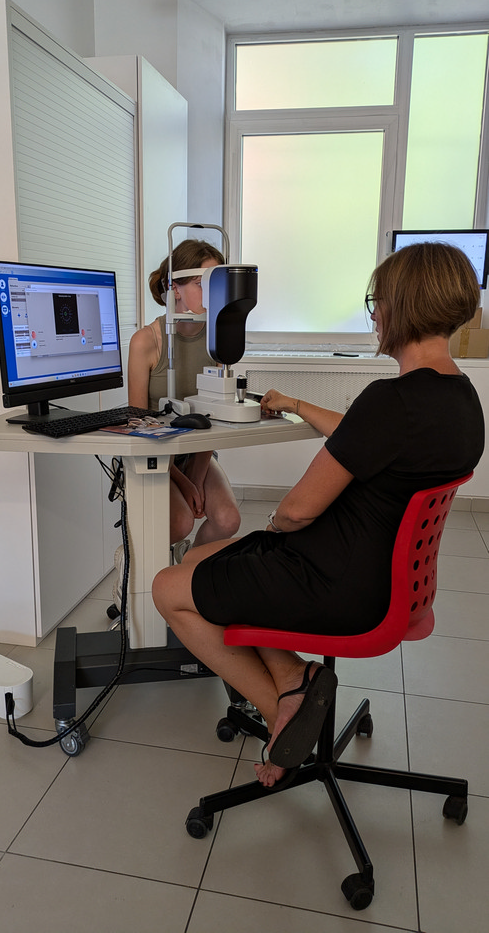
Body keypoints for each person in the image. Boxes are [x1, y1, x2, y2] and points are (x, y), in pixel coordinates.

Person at [152, 242, 485, 789]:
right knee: (213, 559)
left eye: (378, 302)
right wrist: (299, 405)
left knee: (170, 586)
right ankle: (293, 676)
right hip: (395, 584)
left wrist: (274, 531)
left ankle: (281, 713)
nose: (374, 316)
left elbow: (297, 510)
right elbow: (367, 435)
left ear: (403, 305)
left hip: (341, 588)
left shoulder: (391, 401)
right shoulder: (461, 400)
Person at [128, 238, 240, 549]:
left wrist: (198, 472)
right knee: (180, 522)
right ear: (174, 287)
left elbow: (216, 415)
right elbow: (137, 423)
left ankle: (187, 569)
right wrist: (183, 480)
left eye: (217, 284)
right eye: (202, 283)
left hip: (197, 450)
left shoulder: (218, 339)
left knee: (228, 520)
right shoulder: (146, 341)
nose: (213, 293)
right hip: (154, 453)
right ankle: (135, 558)